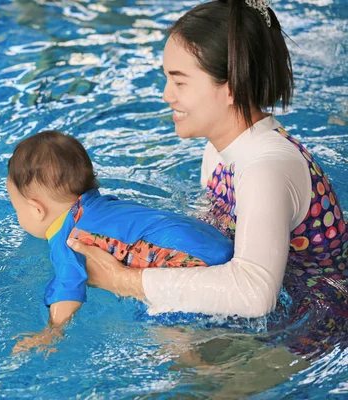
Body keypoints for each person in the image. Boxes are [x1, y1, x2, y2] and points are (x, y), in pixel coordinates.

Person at [66, 0, 348, 356]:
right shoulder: (221, 150)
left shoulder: (266, 168)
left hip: (311, 329)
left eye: (179, 82)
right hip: (269, 308)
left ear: (230, 88)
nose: (167, 95)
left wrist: (123, 280)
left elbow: (254, 293)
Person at [7, 130, 234, 353]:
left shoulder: (68, 237)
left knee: (160, 327)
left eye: (16, 208)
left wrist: (52, 330)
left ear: (37, 210)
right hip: (217, 242)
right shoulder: (102, 206)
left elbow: (68, 287)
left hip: (194, 262)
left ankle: (199, 369)